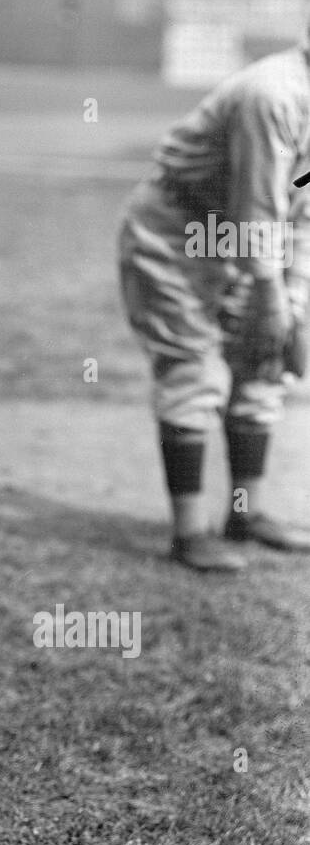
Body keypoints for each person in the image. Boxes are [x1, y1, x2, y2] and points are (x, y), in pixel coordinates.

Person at [119, 40, 310, 572]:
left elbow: (301, 209)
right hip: (178, 232)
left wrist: (291, 302)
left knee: (262, 363)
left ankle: (245, 514)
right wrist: (270, 296)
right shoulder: (273, 94)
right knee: (194, 368)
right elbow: (257, 207)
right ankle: (189, 534)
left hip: (245, 238)